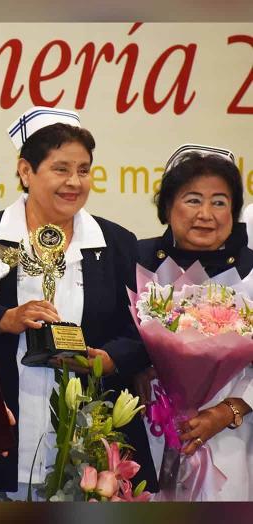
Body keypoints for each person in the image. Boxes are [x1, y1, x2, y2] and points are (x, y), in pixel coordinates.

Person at [0, 107, 157, 500]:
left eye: (83, 170)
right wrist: (3, 319)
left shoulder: (116, 244)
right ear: (25, 171)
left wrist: (109, 359)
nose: (74, 182)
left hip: (89, 451)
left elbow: (143, 331)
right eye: (60, 169)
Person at [136, 144, 253, 500]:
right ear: (167, 207)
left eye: (219, 202)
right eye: (192, 200)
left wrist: (230, 410)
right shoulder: (137, 260)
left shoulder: (250, 270)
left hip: (232, 437)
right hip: (148, 431)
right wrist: (136, 369)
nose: (206, 214)